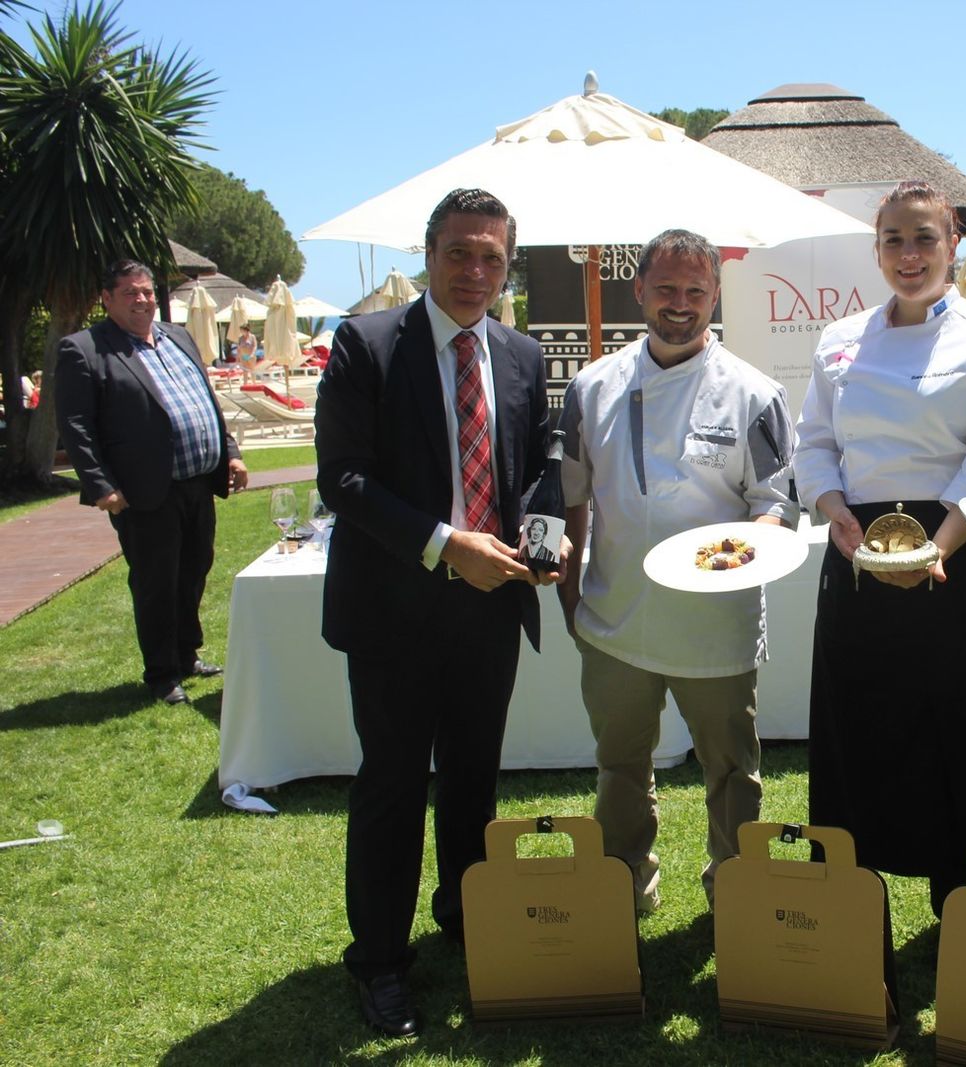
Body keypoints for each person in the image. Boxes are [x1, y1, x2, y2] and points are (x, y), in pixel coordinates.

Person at [315, 188, 563, 1038]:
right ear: (429, 253)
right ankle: (380, 961)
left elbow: (536, 467)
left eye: (492, 256)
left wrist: (539, 536)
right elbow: (341, 479)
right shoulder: (367, 343)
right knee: (391, 786)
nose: (475, 271)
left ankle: (466, 916)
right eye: (460, 252)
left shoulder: (524, 357)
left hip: (491, 613)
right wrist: (443, 542)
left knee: (472, 781)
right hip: (394, 610)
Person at [794, 180, 966, 919]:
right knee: (864, 727)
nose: (909, 255)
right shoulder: (839, 339)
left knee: (965, 734)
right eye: (894, 241)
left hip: (955, 552)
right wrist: (838, 516)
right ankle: (855, 898)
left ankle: (965, 906)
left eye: (924, 239)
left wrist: (935, 547)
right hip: (855, 556)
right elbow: (813, 443)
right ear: (877, 249)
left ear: (953, 244)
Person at [558, 229, 797, 915]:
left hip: (716, 626)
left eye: (696, 290)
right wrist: (573, 597)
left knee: (732, 772)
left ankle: (736, 892)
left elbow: (775, 500)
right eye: (666, 288)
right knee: (621, 769)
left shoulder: (753, 392)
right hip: (616, 620)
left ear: (716, 295)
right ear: (638, 290)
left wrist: (746, 550)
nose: (680, 303)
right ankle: (625, 884)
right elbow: (574, 495)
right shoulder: (592, 387)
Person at [55, 260, 249, 705]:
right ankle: (162, 674)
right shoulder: (84, 350)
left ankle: (186, 653)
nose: (142, 300)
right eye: (130, 293)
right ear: (107, 299)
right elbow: (76, 426)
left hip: (198, 481)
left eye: (145, 291)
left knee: (194, 569)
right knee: (156, 581)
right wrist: (101, 485)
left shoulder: (177, 337)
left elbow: (206, 400)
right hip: (143, 491)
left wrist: (231, 453)